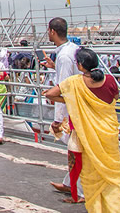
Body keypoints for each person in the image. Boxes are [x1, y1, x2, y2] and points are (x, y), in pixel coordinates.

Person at [44, 47, 120, 210]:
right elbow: (115, 97)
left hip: (83, 132)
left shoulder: (74, 82)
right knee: (107, 170)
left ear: (80, 66)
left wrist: (70, 99)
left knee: (80, 165)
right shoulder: (109, 80)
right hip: (107, 131)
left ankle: (79, 194)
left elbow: (49, 94)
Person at [44, 17, 80, 198]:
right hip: (77, 105)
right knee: (75, 148)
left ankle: (78, 189)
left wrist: (58, 120)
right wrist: (53, 67)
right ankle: (70, 182)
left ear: (52, 31)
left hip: (72, 109)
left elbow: (64, 88)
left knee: (75, 148)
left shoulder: (65, 56)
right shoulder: (72, 50)